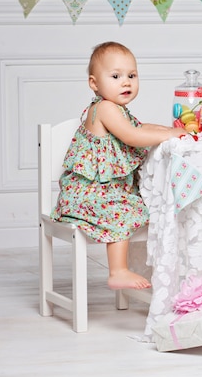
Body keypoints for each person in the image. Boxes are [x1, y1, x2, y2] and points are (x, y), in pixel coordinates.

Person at [51, 41, 187, 290]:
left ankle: (161, 273)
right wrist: (167, 136)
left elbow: (141, 127)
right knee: (122, 211)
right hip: (87, 194)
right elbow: (132, 136)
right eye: (116, 76)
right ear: (94, 83)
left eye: (132, 75)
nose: (126, 82)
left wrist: (169, 130)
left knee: (140, 206)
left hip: (107, 191)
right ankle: (118, 271)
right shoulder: (104, 108)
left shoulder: (119, 109)